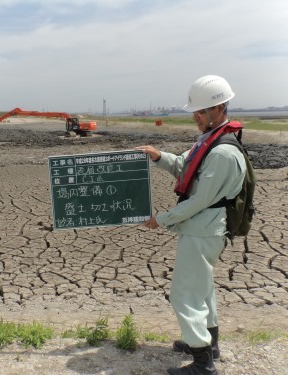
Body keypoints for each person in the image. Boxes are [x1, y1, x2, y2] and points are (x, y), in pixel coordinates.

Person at [136, 75, 246, 375]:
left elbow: (199, 201)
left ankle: (202, 362)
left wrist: (161, 219)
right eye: (195, 111)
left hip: (204, 229)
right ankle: (208, 344)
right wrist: (159, 157)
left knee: (185, 294)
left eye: (201, 111)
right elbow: (185, 166)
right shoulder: (209, 141)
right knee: (202, 289)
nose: (195, 116)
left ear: (219, 109)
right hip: (202, 228)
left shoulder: (223, 152)